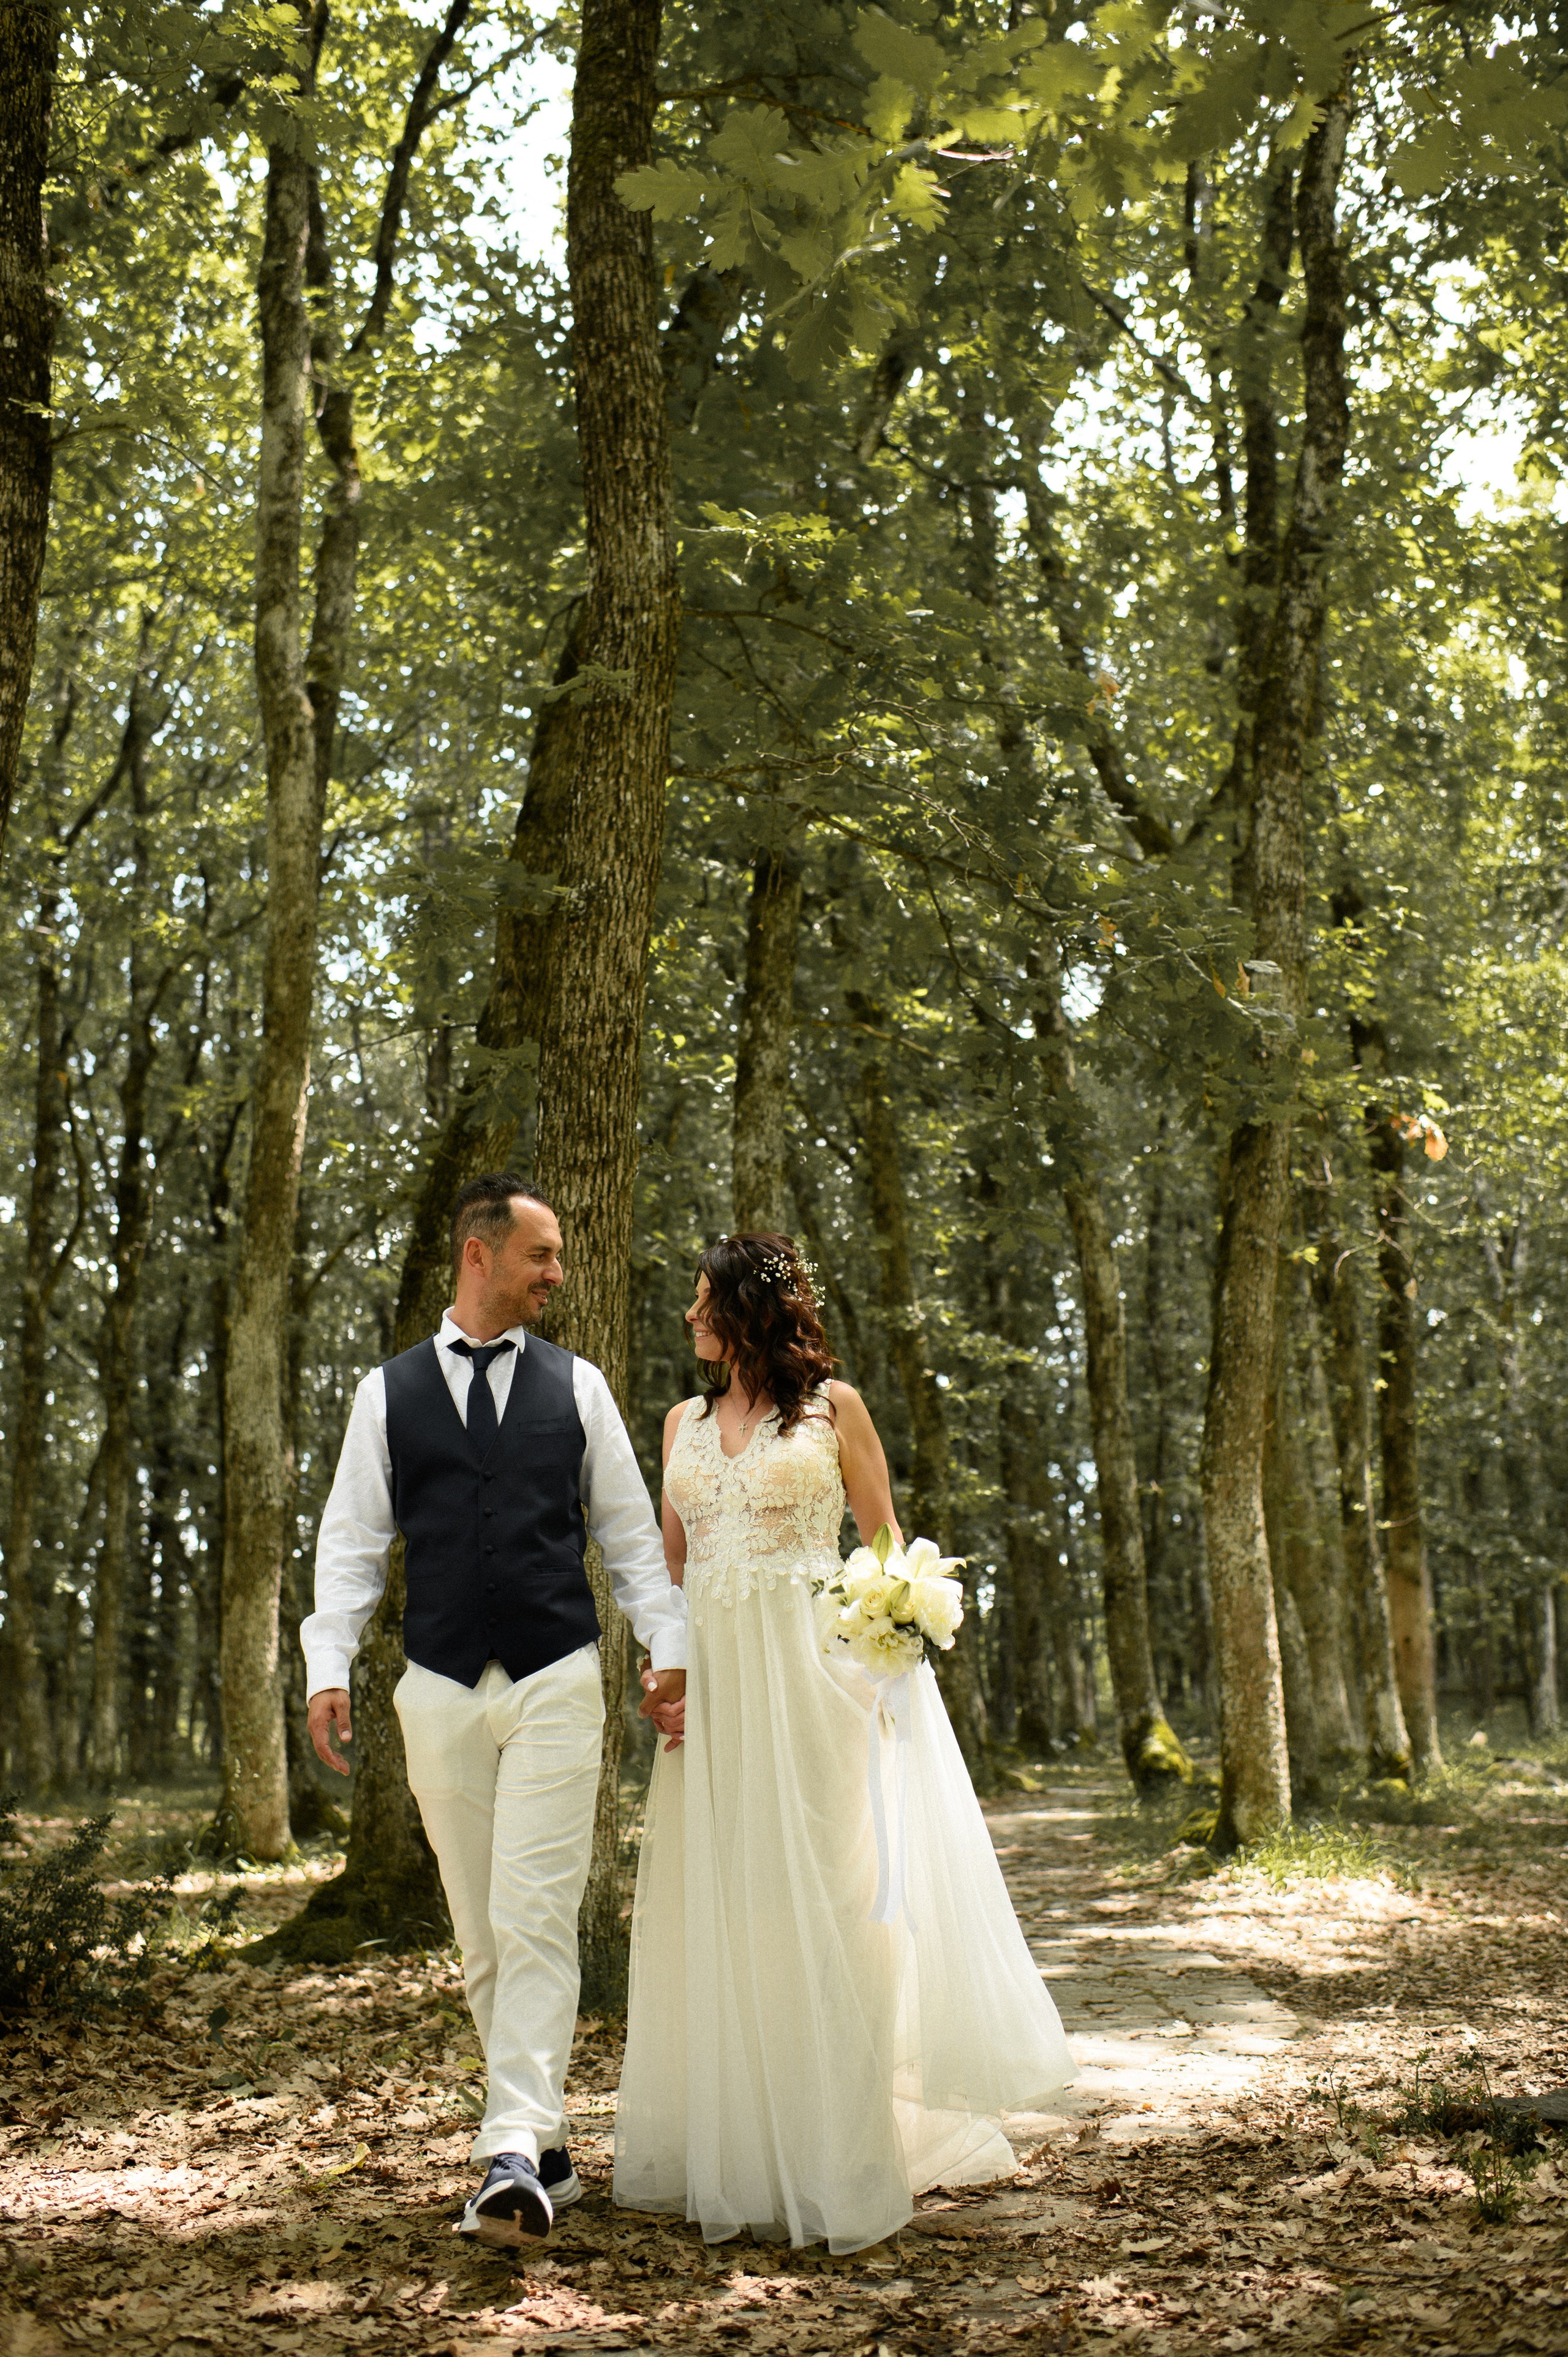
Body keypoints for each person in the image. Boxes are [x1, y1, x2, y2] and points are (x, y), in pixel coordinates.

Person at [613, 1232, 1074, 2254]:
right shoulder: (680, 1422)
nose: (688, 1320)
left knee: (836, 1906)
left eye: (702, 1304)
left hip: (818, 1688)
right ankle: (744, 2151)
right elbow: (671, 1568)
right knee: (735, 1910)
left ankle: (846, 2151)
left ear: (745, 1313)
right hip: (720, 1703)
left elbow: (884, 1549)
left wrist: (880, 1664)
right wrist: (664, 1673)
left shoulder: (835, 1410)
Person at [302, 1175, 687, 2250]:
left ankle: (509, 2150)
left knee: (535, 1918)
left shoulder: (583, 1388)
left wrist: (669, 1654)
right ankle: (550, 2145)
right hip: (436, 1688)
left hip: (557, 1677)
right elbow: (350, 1540)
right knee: (480, 1933)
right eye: (542, 1255)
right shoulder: (387, 1393)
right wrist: (327, 1663)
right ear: (481, 1255)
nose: (557, 1274)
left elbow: (628, 1540)